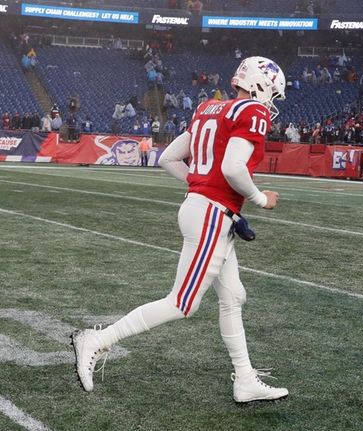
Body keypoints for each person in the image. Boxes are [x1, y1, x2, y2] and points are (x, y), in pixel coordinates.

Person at [71, 56, 289, 403]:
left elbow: (168, 158)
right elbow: (233, 168)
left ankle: (245, 378)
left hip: (204, 210)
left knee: (233, 296)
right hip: (212, 215)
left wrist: (201, 185)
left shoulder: (209, 108)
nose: (271, 103)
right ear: (261, 86)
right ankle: (97, 339)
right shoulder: (252, 112)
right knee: (182, 303)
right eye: (272, 94)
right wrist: (262, 199)